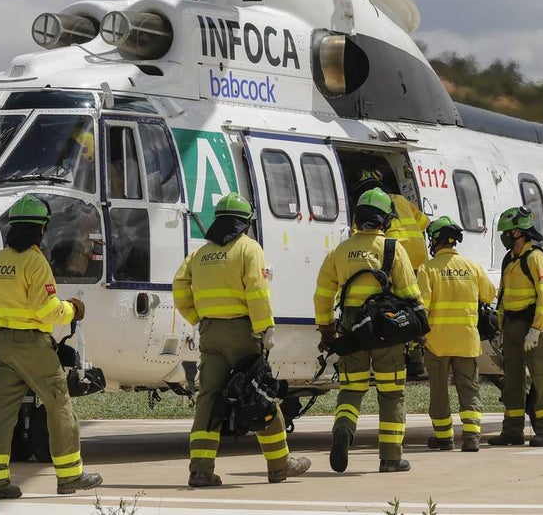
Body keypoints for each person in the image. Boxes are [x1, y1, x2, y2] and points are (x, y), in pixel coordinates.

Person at [0, 194, 102, 500]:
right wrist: (72, 309)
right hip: (33, 345)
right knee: (59, 403)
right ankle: (70, 475)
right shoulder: (35, 262)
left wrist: (3, 304)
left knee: (0, 413)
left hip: (3, 343)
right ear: (41, 228)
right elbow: (47, 310)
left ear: (12, 227)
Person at [172, 193, 311, 487]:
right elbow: (257, 290)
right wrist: (264, 328)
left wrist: (197, 318)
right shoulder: (249, 249)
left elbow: (179, 287)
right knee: (259, 393)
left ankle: (200, 470)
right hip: (243, 333)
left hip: (210, 333)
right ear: (245, 223)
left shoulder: (199, 254)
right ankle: (280, 465)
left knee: (208, 400)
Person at [314, 187, 421, 473]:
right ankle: (391, 457)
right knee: (391, 392)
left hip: (351, 328)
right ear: (385, 219)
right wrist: (417, 328)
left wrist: (327, 330)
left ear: (358, 218)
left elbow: (322, 296)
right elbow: (410, 293)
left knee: (351, 389)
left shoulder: (340, 251)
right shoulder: (393, 248)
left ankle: (343, 429)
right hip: (387, 326)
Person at [415, 216, 497, 452]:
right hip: (466, 342)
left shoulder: (427, 269)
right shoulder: (472, 267)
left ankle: (444, 437)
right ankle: (471, 437)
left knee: (439, 390)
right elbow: (489, 295)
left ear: (435, 241)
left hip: (437, 342)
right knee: (469, 388)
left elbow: (422, 307)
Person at [351, 169, 431, 379]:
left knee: (392, 307)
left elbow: (359, 236)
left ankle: (392, 354)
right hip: (418, 256)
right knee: (413, 304)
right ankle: (416, 359)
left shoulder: (365, 208)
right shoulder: (401, 200)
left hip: (396, 255)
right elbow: (425, 223)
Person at [487, 205, 543, 447]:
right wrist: (501, 329)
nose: (504, 237)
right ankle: (512, 431)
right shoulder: (509, 259)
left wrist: (536, 330)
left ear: (517, 233)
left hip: (530, 327)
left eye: (506, 232)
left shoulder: (535, 257)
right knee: (513, 380)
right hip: (511, 327)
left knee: (539, 377)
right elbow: (503, 297)